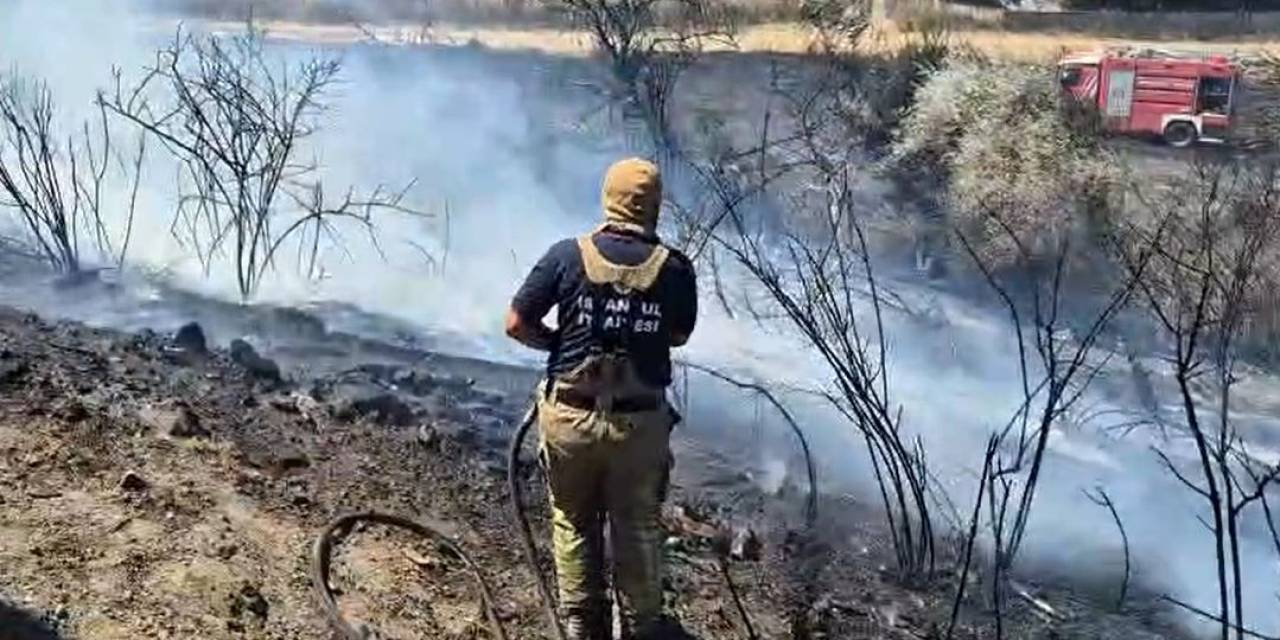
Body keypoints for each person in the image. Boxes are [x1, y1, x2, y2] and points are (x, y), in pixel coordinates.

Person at [505, 157, 697, 639]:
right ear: (654, 205)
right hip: (638, 427)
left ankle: (580, 623)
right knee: (638, 525)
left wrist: (558, 344)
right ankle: (641, 627)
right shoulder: (675, 269)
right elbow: (678, 335)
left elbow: (516, 323)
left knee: (572, 520)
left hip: (570, 419)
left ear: (608, 198)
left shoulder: (565, 256)